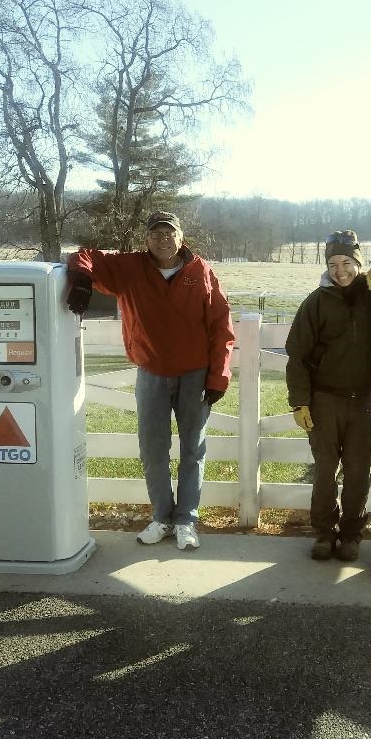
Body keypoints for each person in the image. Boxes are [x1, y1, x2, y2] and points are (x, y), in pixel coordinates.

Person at [64, 211, 235, 551]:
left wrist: (219, 376)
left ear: (181, 237)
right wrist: (82, 278)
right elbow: (82, 254)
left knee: (193, 450)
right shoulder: (129, 268)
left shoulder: (200, 271)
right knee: (153, 450)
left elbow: (221, 326)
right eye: (155, 233)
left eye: (169, 232)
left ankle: (186, 520)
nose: (163, 238)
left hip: (195, 375)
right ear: (147, 239)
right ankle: (161, 517)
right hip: (151, 374)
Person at [285, 231, 371, 561]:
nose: (340, 270)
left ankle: (351, 534)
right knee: (324, 470)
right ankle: (323, 533)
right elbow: (297, 355)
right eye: (333, 264)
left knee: (358, 470)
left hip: (364, 398)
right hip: (325, 399)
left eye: (347, 262)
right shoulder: (316, 301)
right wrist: (300, 401)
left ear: (359, 262)